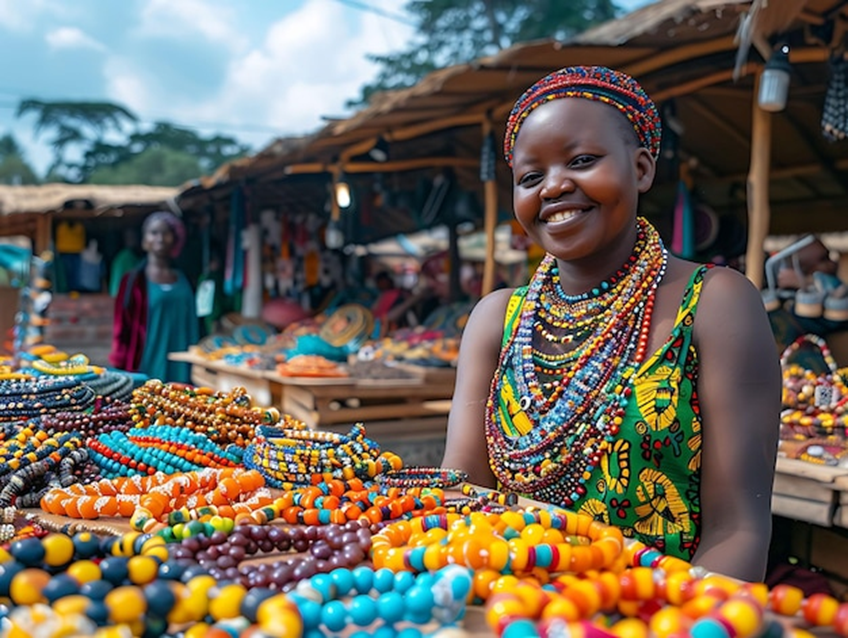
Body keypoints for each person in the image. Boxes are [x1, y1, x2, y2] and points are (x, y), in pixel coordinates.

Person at [441, 66, 781, 582]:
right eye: (531, 177)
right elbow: (460, 493)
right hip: (504, 607)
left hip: (655, 613)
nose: (554, 186)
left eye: (581, 161)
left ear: (641, 169)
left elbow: (739, 530)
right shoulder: (496, 319)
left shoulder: (716, 303)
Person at [109, 211, 198, 383]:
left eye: (166, 233)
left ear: (175, 238)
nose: (160, 238)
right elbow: (121, 327)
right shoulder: (132, 281)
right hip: (146, 362)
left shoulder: (185, 279)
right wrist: (119, 363)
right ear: (145, 240)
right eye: (154, 232)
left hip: (181, 364)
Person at [109, 227, 142, 297]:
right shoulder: (123, 258)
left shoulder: (135, 258)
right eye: (129, 237)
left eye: (133, 237)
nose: (132, 240)